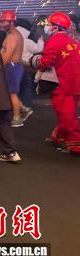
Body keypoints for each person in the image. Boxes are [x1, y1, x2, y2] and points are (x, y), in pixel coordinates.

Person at [30, 12, 80, 154]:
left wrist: (35, 61)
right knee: (68, 113)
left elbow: (46, 62)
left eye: (49, 24)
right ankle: (59, 137)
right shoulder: (73, 41)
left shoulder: (54, 41)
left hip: (62, 85)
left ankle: (75, 144)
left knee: (66, 116)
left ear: (56, 27)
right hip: (74, 84)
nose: (46, 26)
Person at [0, 10, 30, 127]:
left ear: (11, 22)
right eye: (0, 22)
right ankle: (24, 109)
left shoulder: (13, 36)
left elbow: (7, 55)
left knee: (12, 93)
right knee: (10, 92)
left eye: (3, 22)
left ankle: (17, 118)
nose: (1, 24)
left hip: (12, 67)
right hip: (13, 66)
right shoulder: (11, 34)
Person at [15, 18, 40, 121]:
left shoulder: (11, 39)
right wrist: (40, 41)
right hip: (26, 67)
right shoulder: (28, 41)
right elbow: (38, 49)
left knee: (16, 90)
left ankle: (18, 107)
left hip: (14, 67)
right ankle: (27, 106)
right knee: (26, 88)